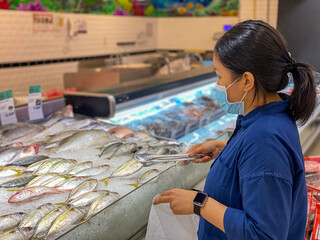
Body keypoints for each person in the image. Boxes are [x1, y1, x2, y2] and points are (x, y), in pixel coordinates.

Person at [153, 20, 317, 240]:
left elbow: (264, 234)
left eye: (220, 76)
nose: (218, 85)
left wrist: (198, 203)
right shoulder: (265, 116)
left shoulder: (266, 140)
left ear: (247, 80)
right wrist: (228, 150)